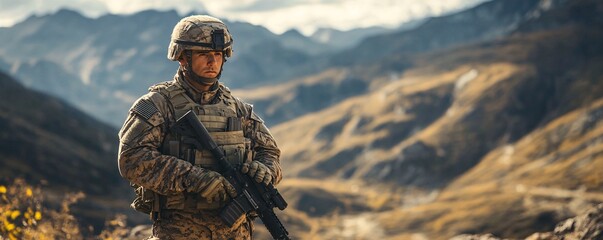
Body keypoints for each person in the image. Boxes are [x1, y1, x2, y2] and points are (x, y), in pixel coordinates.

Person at [117, 15, 282, 240]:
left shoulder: (238, 109)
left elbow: (270, 152)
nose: (212, 62)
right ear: (183, 58)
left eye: (217, 55)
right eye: (204, 55)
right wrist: (196, 179)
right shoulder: (158, 105)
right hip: (179, 232)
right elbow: (132, 159)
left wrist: (266, 170)